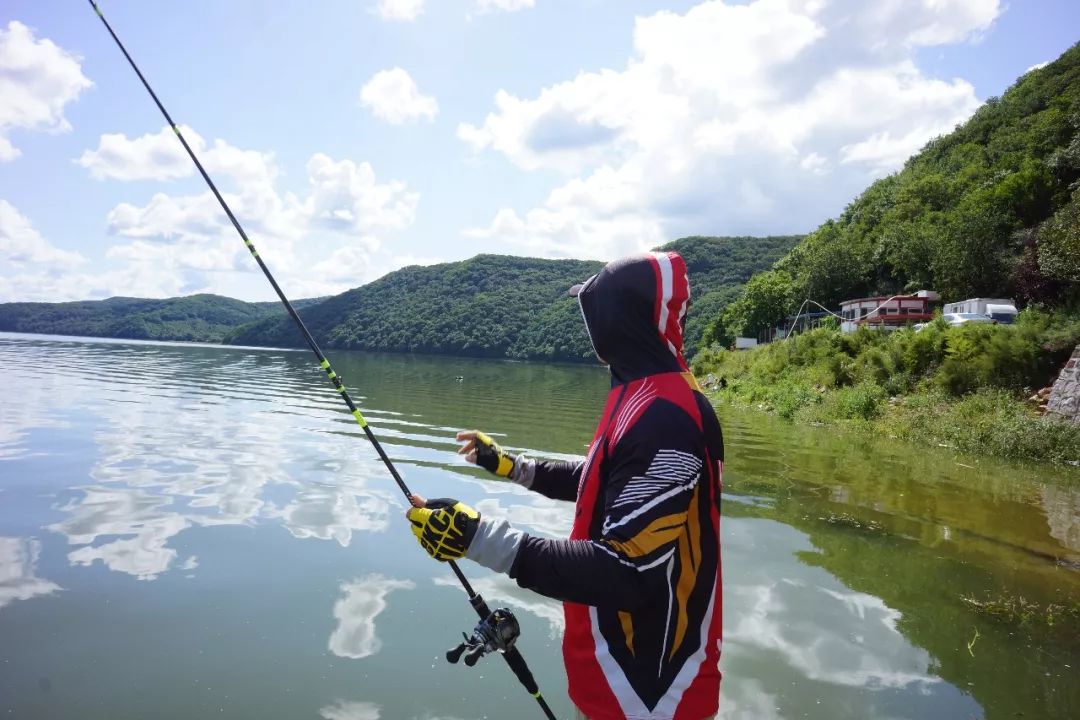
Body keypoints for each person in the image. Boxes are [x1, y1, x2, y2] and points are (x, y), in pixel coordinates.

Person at [407, 251, 724, 720]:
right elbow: (606, 481)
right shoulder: (645, 394)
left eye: (593, 307)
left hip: (652, 698)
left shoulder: (666, 418)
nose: (587, 321)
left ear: (619, 316)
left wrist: (479, 539)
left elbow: (628, 572)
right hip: (615, 686)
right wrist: (512, 467)